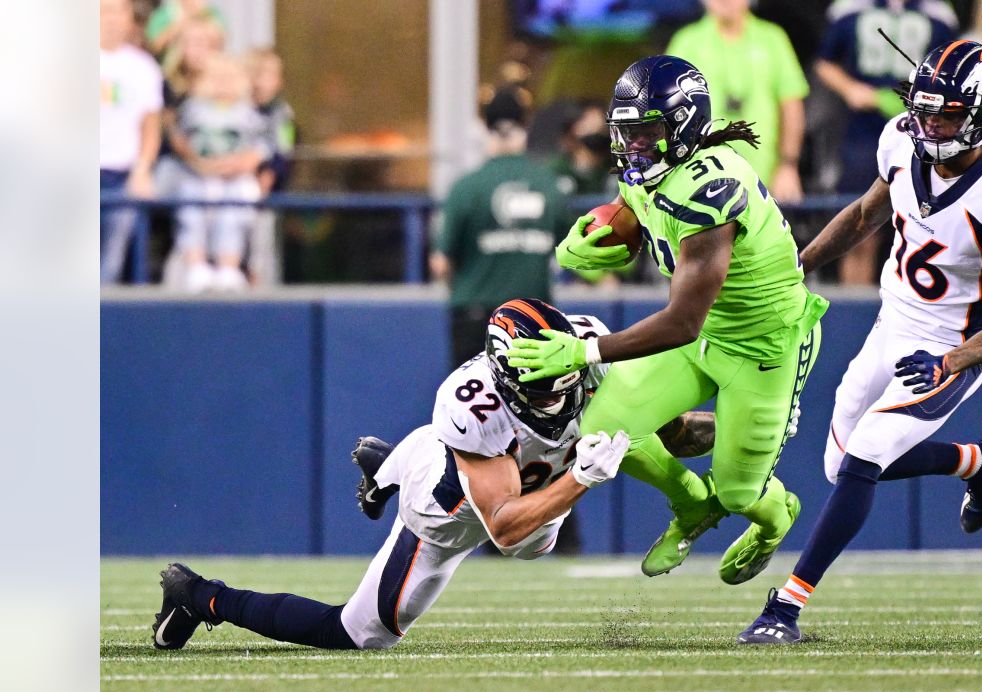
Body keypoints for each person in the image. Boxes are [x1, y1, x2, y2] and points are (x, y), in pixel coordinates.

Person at [150, 299, 713, 651]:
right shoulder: (476, 407)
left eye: (568, 376)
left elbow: (669, 425)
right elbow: (505, 529)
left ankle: (387, 466)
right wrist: (582, 480)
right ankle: (200, 596)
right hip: (452, 510)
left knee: (543, 538)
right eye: (542, 388)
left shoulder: (593, 348)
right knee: (356, 634)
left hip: (523, 478)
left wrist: (740, 432)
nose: (562, 397)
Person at [737, 40, 982, 644]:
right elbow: (862, 216)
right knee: (839, 465)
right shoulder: (901, 142)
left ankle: (784, 608)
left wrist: (949, 362)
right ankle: (981, 461)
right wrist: (796, 265)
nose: (929, 125)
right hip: (889, 325)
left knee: (866, 456)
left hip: (949, 343)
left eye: (947, 114)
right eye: (924, 109)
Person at [508, 56, 828, 586]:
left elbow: (681, 322)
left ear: (682, 127)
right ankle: (691, 506)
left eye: (645, 132)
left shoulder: (711, 188)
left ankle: (774, 522)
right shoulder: (653, 168)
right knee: (602, 433)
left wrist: (583, 351)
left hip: (764, 345)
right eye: (625, 132)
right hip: (706, 336)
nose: (632, 146)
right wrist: (586, 241)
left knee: (740, 492)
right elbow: (632, 209)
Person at [814, 0, 957, 285]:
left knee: (926, 229)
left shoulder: (938, 14)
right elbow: (824, 62)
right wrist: (850, 89)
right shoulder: (850, 9)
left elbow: (952, 73)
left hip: (926, 135)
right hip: (863, 135)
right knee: (860, 229)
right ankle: (854, 313)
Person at [430, 88, 568, 370]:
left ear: (484, 127)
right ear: (526, 125)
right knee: (534, 407)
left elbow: (441, 264)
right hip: (533, 316)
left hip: (475, 317)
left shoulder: (466, 188)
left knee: (475, 408)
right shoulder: (549, 185)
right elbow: (575, 253)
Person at [667, 0, 808, 203]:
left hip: (764, 177)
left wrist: (788, 165)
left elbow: (791, 106)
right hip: (698, 178)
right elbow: (667, 109)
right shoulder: (686, 41)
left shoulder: (772, 38)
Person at [169, 54, 267, 291]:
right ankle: (196, 266)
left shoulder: (249, 112)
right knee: (191, 212)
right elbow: (180, 141)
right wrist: (201, 163)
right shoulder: (192, 109)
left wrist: (238, 164)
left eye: (229, 78)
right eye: (217, 78)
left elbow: (262, 146)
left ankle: (228, 267)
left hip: (235, 177)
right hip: (197, 175)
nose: (223, 84)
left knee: (232, 216)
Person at [100, 0, 163, 283]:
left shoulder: (143, 67)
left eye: (117, 11)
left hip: (121, 175)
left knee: (110, 260)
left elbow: (150, 126)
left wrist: (142, 170)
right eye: (104, 11)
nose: (111, 19)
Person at [244, 47, 296, 285]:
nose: (261, 83)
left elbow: (284, 151)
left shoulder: (282, 113)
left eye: (270, 76)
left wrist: (269, 176)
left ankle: (260, 283)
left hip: (266, 193)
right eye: (257, 74)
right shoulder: (238, 109)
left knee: (262, 245)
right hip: (237, 183)